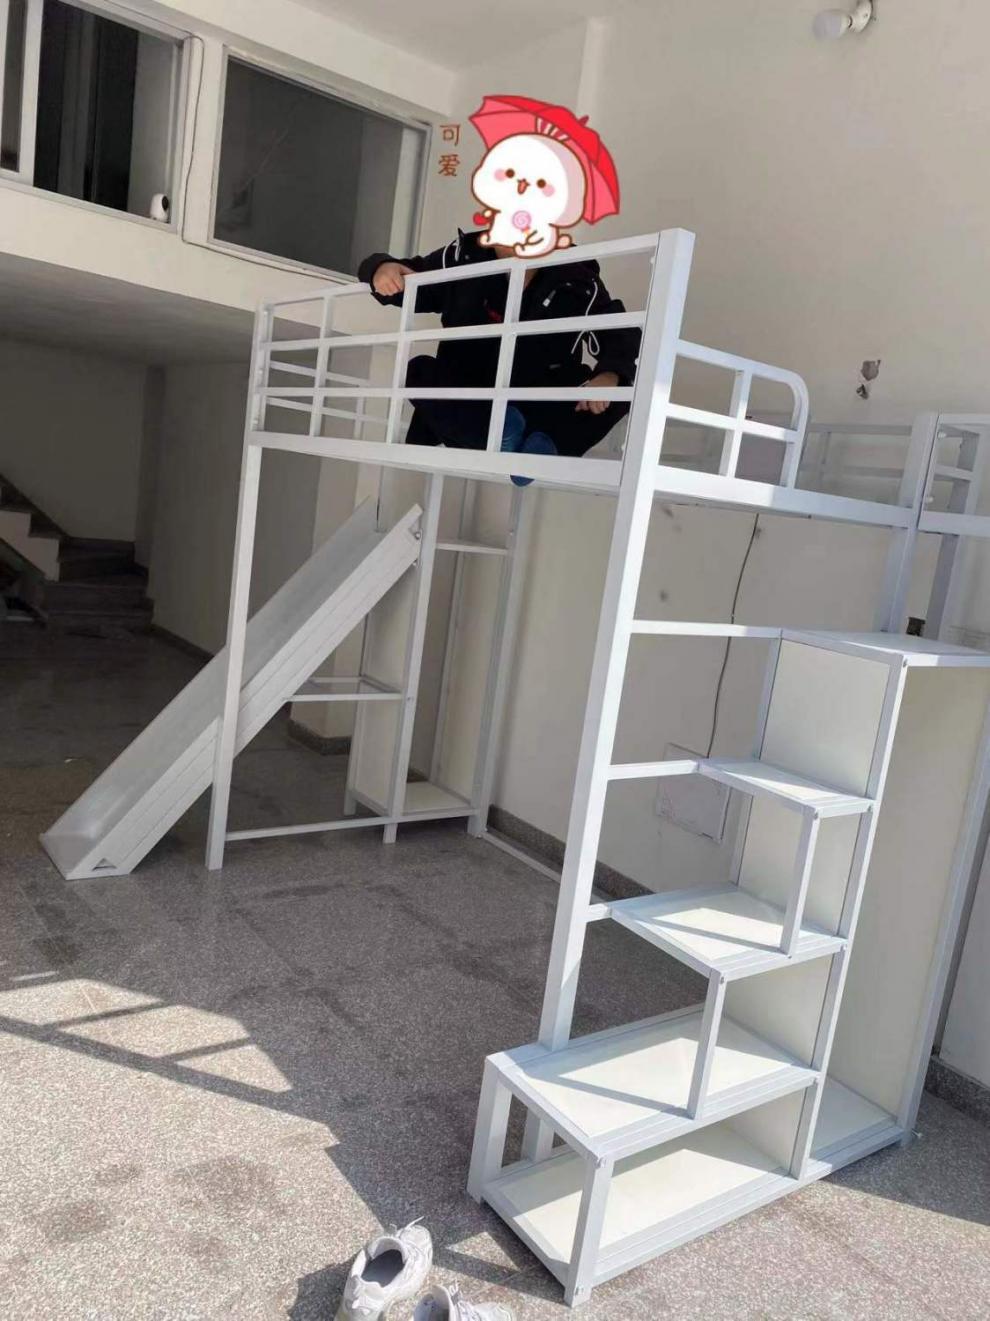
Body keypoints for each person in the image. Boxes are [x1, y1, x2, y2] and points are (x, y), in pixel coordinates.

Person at [356, 229, 641, 483]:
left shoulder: (576, 274)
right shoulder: (464, 255)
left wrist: (609, 375)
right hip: (470, 396)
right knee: (418, 371)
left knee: (622, 391)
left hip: (538, 403)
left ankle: (542, 451)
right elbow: (408, 278)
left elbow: (619, 331)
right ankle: (499, 434)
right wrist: (380, 267)